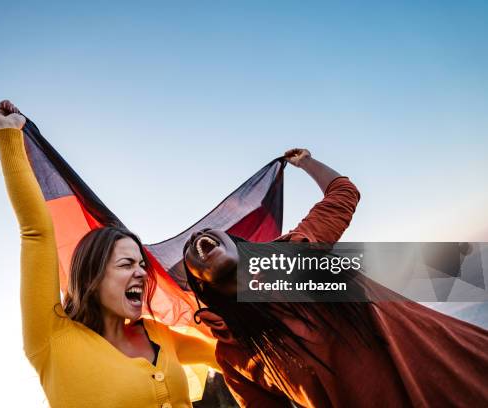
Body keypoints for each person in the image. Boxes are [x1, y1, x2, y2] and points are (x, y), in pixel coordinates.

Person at [184, 149, 488, 407]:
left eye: (208, 232)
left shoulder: (297, 249)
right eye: (188, 249)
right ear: (199, 283)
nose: (198, 236)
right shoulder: (234, 354)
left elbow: (343, 193)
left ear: (237, 242)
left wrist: (307, 162)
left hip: (463, 368)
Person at [0, 100, 219, 408]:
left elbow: (239, 358)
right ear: (93, 277)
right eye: (126, 264)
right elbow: (36, 233)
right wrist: (8, 135)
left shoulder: (160, 334)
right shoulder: (51, 337)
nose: (141, 272)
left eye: (141, 264)